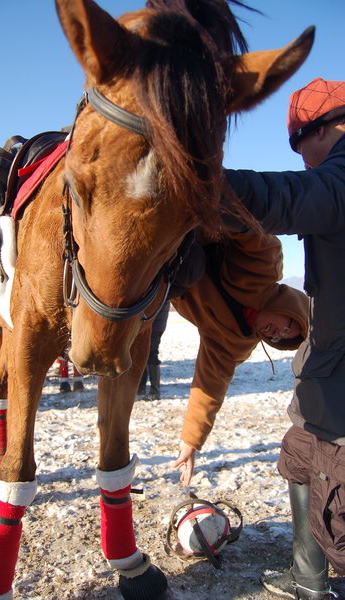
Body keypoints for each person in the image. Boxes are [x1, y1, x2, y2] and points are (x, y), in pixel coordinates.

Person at [222, 78, 345, 600]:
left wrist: (205, 184)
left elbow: (290, 196)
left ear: (328, 128)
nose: (301, 159)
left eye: (300, 144)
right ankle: (308, 578)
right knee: (297, 453)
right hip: (327, 372)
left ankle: (325, 572)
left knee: (338, 513)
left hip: (342, 400)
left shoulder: (337, 178)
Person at [171, 231, 308, 483]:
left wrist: (191, 443)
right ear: (289, 306)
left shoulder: (235, 341)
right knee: (192, 262)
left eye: (282, 338)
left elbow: (211, 387)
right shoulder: (265, 268)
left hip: (164, 275)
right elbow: (253, 229)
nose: (278, 334)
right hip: (193, 225)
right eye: (288, 326)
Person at [137, 300, 170, 400]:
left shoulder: (160, 290)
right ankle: (140, 387)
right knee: (142, 354)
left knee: (151, 354)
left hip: (154, 326)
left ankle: (155, 391)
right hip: (150, 325)